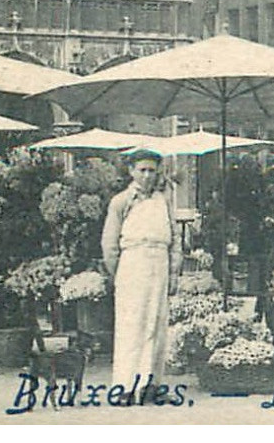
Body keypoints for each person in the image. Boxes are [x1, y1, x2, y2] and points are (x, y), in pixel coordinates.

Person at [101, 148, 182, 390]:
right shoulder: (121, 202)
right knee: (131, 325)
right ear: (131, 172)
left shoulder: (164, 201)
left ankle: (151, 385)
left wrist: (174, 271)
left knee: (156, 325)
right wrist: (120, 274)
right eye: (142, 170)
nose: (147, 176)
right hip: (132, 265)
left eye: (152, 171)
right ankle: (126, 386)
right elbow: (109, 243)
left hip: (160, 265)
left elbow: (175, 237)